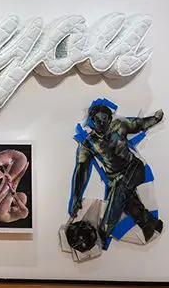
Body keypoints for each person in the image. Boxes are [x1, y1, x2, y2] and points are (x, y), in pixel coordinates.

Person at [69, 100, 164, 247]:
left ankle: (105, 230)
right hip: (115, 179)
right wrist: (76, 197)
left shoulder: (119, 126)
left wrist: (155, 119)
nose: (102, 123)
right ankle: (151, 224)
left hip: (133, 169)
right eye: (98, 120)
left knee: (119, 193)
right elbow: (81, 170)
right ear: (93, 120)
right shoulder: (88, 144)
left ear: (109, 119)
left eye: (105, 119)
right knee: (128, 203)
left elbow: (138, 124)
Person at [0, 149, 30, 223]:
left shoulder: (24, 212)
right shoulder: (18, 210)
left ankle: (1, 172)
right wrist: (23, 171)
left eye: (15, 200)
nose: (14, 201)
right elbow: (17, 182)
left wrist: (10, 186)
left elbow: (14, 192)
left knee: (9, 191)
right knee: (6, 190)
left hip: (1, 214)